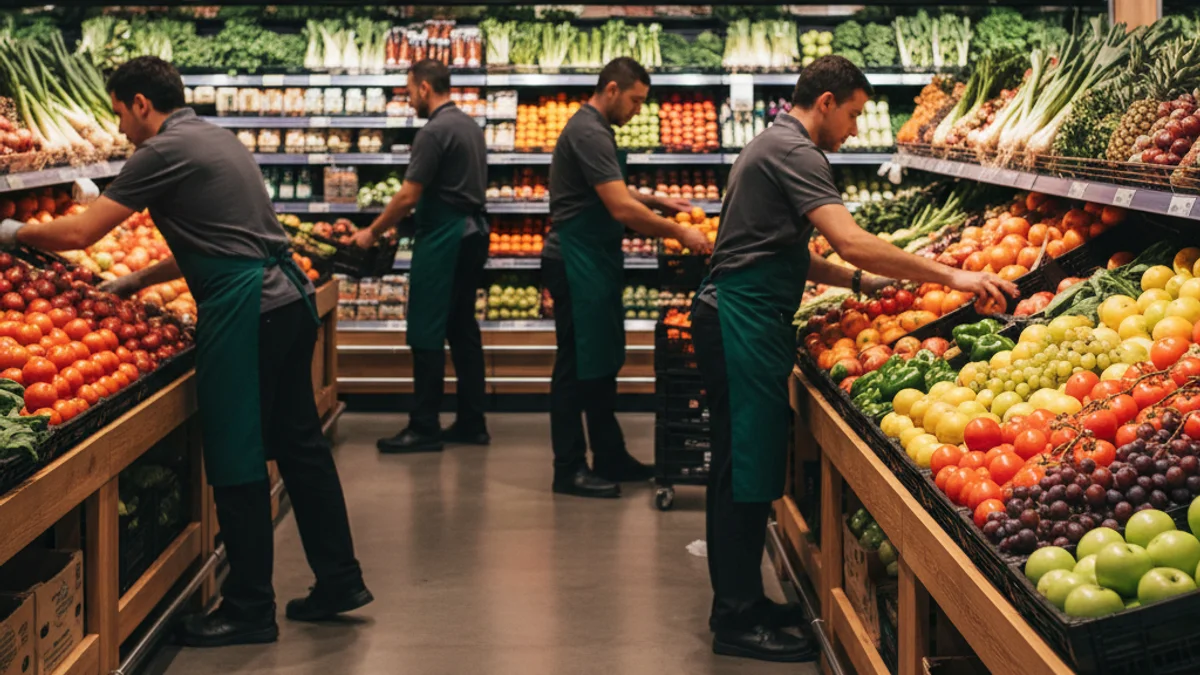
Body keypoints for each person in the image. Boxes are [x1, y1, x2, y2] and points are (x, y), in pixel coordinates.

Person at [0, 57, 371, 647]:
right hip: (284, 301)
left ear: (142, 103)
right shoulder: (214, 137)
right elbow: (219, 239)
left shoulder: (161, 151)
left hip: (247, 312)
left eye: (121, 114)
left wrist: (13, 234)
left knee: (237, 453)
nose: (121, 130)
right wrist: (135, 281)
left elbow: (78, 235)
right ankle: (340, 580)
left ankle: (249, 609)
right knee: (301, 445)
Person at [691, 56, 1018, 662]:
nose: (853, 129)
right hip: (741, 321)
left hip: (741, 315)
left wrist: (855, 284)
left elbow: (784, 250)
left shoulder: (771, 143)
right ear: (826, 103)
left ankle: (743, 600)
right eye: (854, 114)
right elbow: (849, 237)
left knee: (745, 467)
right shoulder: (798, 153)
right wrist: (950, 272)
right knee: (742, 472)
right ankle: (735, 618)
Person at [544, 57, 712, 499]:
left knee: (599, 365)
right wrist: (680, 231)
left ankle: (610, 454)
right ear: (613, 89)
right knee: (573, 368)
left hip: (594, 259)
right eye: (636, 100)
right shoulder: (588, 130)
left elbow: (611, 189)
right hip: (575, 260)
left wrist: (659, 202)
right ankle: (568, 468)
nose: (638, 109)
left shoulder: (596, 130)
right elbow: (618, 207)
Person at [351, 60, 490, 454]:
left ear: (425, 87)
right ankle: (472, 421)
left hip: (446, 238)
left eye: (409, 90)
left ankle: (424, 425)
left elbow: (409, 195)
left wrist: (372, 231)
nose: (409, 98)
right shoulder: (468, 125)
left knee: (427, 329)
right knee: (462, 329)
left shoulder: (434, 131)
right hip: (472, 234)